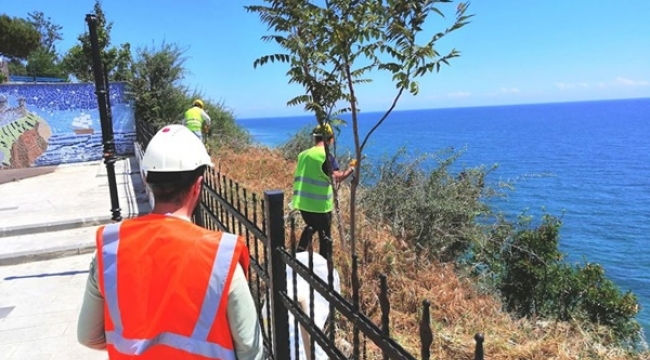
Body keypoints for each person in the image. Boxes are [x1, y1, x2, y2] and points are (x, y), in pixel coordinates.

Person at [77, 124, 263, 360]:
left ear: (148, 180)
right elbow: (250, 348)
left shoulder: (110, 250)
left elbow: (87, 336)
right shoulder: (220, 258)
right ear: (197, 186)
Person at [291, 123, 355, 259]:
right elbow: (337, 177)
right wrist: (351, 169)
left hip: (303, 203)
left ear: (315, 138)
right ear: (330, 139)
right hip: (321, 206)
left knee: (311, 227)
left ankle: (299, 254)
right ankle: (325, 266)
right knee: (325, 238)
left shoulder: (303, 154)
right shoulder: (326, 155)